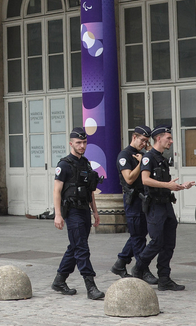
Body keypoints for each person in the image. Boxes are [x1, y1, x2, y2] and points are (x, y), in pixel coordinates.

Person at [131, 125, 195, 291]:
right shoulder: (148, 158)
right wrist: (167, 185)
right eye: (169, 138)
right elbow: (145, 180)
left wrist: (180, 186)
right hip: (154, 206)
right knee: (157, 242)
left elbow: (166, 185)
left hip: (166, 205)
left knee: (169, 244)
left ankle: (164, 278)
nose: (171, 141)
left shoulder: (162, 158)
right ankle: (139, 267)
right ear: (158, 138)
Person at [51, 127, 104, 300]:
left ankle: (59, 280)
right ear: (71, 143)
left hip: (84, 210)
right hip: (71, 211)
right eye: (78, 143)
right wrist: (57, 214)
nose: (82, 146)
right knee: (81, 247)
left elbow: (90, 191)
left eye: (84, 142)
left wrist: (95, 212)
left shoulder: (86, 163)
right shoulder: (64, 164)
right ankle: (90, 286)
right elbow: (57, 191)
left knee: (75, 246)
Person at [111, 126, 154, 281]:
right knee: (138, 237)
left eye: (147, 141)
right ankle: (142, 269)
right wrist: (141, 164)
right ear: (134, 137)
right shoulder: (125, 155)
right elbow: (129, 178)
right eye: (142, 140)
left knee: (140, 234)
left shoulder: (143, 154)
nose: (144, 144)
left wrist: (147, 154)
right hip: (133, 199)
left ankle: (120, 263)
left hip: (143, 199)